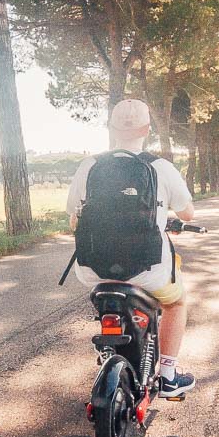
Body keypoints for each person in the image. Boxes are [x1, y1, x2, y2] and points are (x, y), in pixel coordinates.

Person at [67, 98, 197, 397]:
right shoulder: (160, 167)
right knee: (176, 304)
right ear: (147, 129)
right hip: (147, 271)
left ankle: (110, 349)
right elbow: (188, 213)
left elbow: (73, 216)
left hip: (93, 270)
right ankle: (167, 376)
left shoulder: (90, 165)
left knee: (103, 295)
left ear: (111, 128)